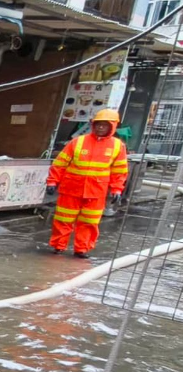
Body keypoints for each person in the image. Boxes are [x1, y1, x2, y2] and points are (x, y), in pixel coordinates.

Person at [46, 107, 128, 259]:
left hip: (96, 192)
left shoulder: (117, 146)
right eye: (98, 124)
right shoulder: (77, 142)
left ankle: (81, 249)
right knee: (63, 219)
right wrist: (52, 181)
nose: (101, 127)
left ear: (113, 126)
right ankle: (58, 246)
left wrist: (117, 189)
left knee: (89, 222)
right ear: (93, 124)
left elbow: (119, 171)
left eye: (105, 125)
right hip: (71, 188)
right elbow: (60, 163)